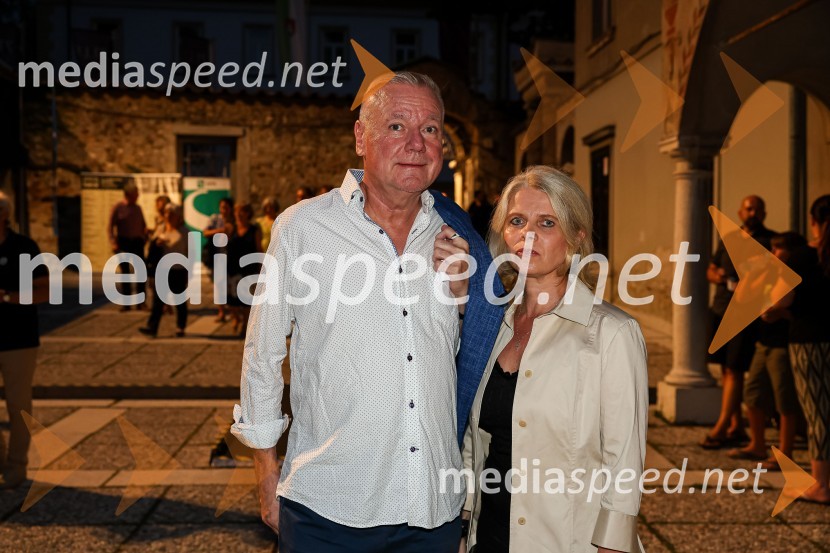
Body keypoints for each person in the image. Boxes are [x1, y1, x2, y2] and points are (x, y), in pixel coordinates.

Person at [230, 72, 504, 552]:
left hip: (431, 508)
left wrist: (464, 301)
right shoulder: (303, 229)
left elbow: (479, 355)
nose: (416, 144)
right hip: (327, 506)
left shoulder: (457, 238)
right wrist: (265, 472)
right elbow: (262, 355)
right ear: (361, 137)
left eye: (432, 129)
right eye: (397, 126)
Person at [460, 166, 648, 553]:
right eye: (517, 221)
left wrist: (612, 546)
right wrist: (462, 526)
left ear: (576, 235)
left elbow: (624, 464)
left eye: (547, 222)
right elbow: (474, 440)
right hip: (488, 535)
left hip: (567, 541)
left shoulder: (611, 334)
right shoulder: (490, 328)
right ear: (504, 233)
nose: (528, 235)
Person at [700, 195, 776, 449]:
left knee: (735, 369)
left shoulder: (769, 241)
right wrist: (720, 277)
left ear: (763, 213)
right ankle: (737, 427)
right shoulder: (729, 238)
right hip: (721, 310)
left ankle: (721, 427)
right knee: (725, 370)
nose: (753, 212)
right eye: (748, 208)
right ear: (740, 212)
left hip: (745, 315)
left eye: (757, 208)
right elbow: (710, 271)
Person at [728, 231, 806, 470]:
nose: (772, 254)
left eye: (777, 249)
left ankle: (786, 453)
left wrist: (781, 312)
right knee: (753, 395)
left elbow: (804, 310)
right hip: (764, 344)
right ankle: (758, 444)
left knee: (785, 402)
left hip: (784, 345)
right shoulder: (770, 272)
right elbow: (742, 297)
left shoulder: (798, 276)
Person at [771, 195, 830, 504]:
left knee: (818, 412)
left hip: (808, 341)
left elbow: (782, 301)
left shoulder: (801, 257)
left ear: (813, 221)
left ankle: (821, 483)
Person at [0, 192, 50, 488]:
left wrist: (8, 297)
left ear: (4, 214)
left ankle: (16, 467)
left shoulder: (25, 248)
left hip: (18, 339)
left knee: (18, 405)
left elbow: (44, 291)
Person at [139, 203, 190, 338]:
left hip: (178, 269)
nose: (169, 216)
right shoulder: (161, 229)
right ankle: (152, 327)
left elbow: (190, 252)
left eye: (172, 214)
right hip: (162, 268)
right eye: (167, 213)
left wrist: (188, 270)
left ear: (178, 216)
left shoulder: (184, 232)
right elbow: (153, 245)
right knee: (158, 300)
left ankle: (180, 326)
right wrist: (157, 243)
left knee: (179, 300)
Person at [107, 182, 147, 310]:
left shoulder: (138, 208)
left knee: (140, 271)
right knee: (125, 273)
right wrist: (113, 242)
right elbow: (110, 227)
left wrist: (144, 237)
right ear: (129, 194)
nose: (138, 196)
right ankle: (127, 303)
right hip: (123, 242)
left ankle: (141, 302)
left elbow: (143, 225)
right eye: (136, 193)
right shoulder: (118, 208)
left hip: (137, 242)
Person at [226, 203, 262, 336]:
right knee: (232, 300)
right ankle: (235, 318)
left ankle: (245, 324)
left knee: (247, 299)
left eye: (242, 211)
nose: (239, 214)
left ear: (248, 213)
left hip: (249, 268)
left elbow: (259, 249)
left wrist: (261, 268)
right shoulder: (231, 229)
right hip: (233, 267)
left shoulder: (254, 230)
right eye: (237, 211)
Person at [203, 196, 235, 322]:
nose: (224, 210)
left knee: (231, 285)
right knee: (218, 285)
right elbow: (205, 232)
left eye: (226, 208)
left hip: (231, 256)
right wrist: (220, 231)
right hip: (218, 255)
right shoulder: (215, 219)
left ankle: (233, 311)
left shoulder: (234, 220)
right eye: (222, 207)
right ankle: (221, 311)